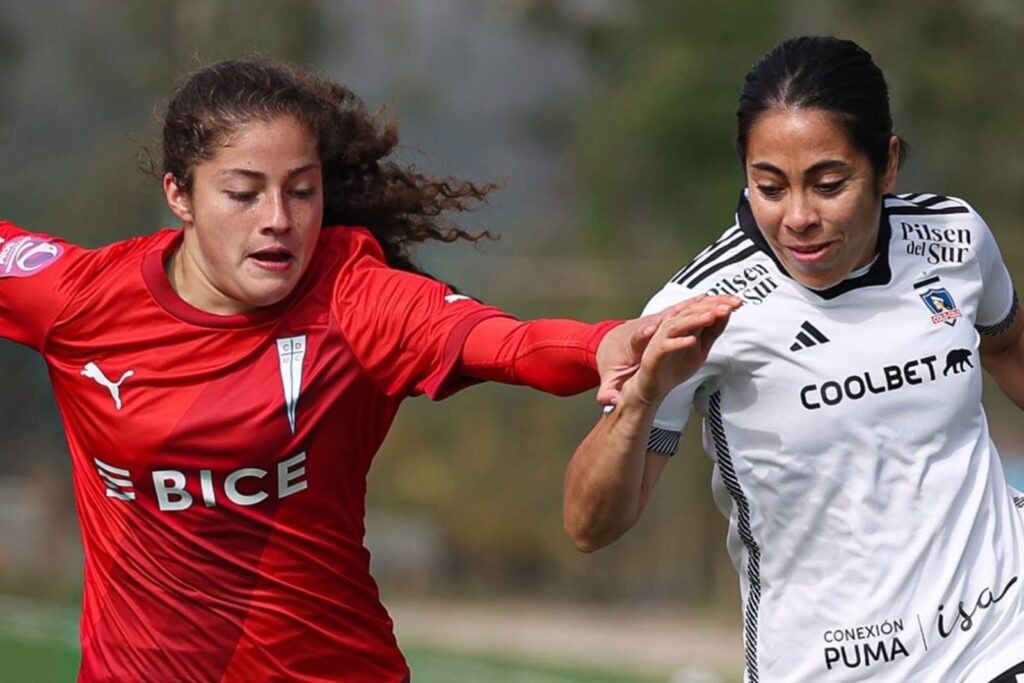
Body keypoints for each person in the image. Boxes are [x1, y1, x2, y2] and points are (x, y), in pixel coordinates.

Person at [0, 57, 720, 682]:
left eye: (301, 189)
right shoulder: (79, 299)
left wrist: (603, 344)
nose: (278, 217)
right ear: (179, 196)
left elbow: (502, 339)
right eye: (244, 192)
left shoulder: (352, 295)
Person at [563, 36, 1024, 683]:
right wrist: (641, 396)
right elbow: (589, 524)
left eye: (829, 184)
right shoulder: (695, 311)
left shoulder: (954, 237)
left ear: (887, 164)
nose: (799, 216)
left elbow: (1006, 345)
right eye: (770, 186)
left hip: (1000, 636)